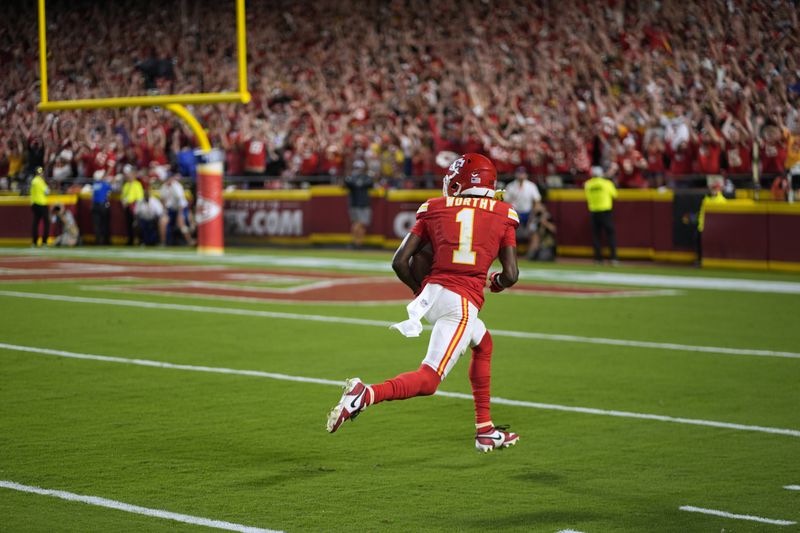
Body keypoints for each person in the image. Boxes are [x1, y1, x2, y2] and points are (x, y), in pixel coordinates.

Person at [327, 153, 521, 453]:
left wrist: (423, 293)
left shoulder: (434, 207)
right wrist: (495, 283)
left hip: (433, 294)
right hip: (461, 303)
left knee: (484, 343)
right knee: (429, 380)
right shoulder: (503, 212)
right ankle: (364, 394)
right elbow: (511, 274)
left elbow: (400, 262)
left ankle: (485, 430)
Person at [584, 166, 618, 264]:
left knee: (596, 236)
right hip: (605, 210)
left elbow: (587, 196)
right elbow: (615, 195)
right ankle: (613, 258)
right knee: (610, 234)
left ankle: (598, 258)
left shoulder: (588, 184)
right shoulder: (607, 183)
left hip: (594, 211)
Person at [343, 160, 373, 248]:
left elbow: (370, 183)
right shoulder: (351, 178)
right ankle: (356, 242)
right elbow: (346, 184)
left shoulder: (365, 177)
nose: (358, 170)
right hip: (357, 204)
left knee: (361, 225)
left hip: (362, 204)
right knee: (358, 223)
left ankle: (358, 243)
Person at [696, 180, 727, 264]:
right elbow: (702, 214)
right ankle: (700, 260)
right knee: (700, 245)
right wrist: (700, 225)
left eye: (716, 188)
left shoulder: (722, 201)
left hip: (715, 229)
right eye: (713, 188)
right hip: (703, 227)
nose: (714, 190)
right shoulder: (706, 199)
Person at [160, 173, 195, 246]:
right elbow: (163, 199)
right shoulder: (164, 187)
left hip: (181, 208)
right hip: (171, 209)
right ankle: (163, 243)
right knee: (163, 222)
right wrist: (165, 211)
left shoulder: (176, 187)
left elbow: (181, 202)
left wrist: (179, 214)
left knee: (181, 223)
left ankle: (189, 240)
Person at [121, 165, 144, 245]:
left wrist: (137, 207)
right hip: (127, 207)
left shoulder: (137, 184)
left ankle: (141, 240)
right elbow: (123, 196)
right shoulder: (126, 185)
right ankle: (130, 240)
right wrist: (124, 202)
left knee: (137, 225)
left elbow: (139, 197)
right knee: (128, 224)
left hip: (135, 207)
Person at [29, 167, 49, 246]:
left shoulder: (33, 181)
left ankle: (34, 241)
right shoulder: (41, 181)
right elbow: (47, 192)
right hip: (42, 203)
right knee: (46, 222)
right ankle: (44, 241)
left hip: (34, 203)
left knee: (35, 222)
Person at [91, 170, 112, 245]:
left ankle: (98, 241)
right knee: (105, 224)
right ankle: (106, 241)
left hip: (94, 206)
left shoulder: (94, 185)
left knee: (97, 225)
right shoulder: (105, 184)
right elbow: (110, 191)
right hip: (103, 206)